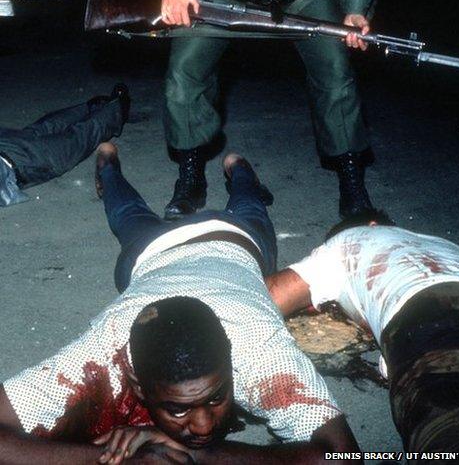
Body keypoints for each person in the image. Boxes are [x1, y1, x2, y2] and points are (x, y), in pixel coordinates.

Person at [0, 145, 360, 464]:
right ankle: (228, 168)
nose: (203, 425)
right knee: (132, 216)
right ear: (137, 385)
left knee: (228, 211)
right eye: (178, 408)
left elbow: (347, 458)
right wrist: (123, 459)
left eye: (217, 397)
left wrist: (194, 454)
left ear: (232, 363)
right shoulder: (108, 350)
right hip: (158, 252)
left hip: (231, 238)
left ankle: (217, 172)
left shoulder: (258, 347)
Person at [129, 0, 380, 220]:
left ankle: (352, 184)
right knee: (183, 75)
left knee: (336, 73)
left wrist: (355, 9)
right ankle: (190, 176)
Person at [267, 210, 459, 462]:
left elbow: (269, 295)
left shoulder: (345, 242)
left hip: (434, 321)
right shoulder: (443, 244)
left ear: (371, 225)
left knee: (452, 438)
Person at [0, 84, 130, 208]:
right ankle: (95, 107)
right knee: (43, 129)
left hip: (16, 162)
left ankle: (115, 110)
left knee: (75, 141)